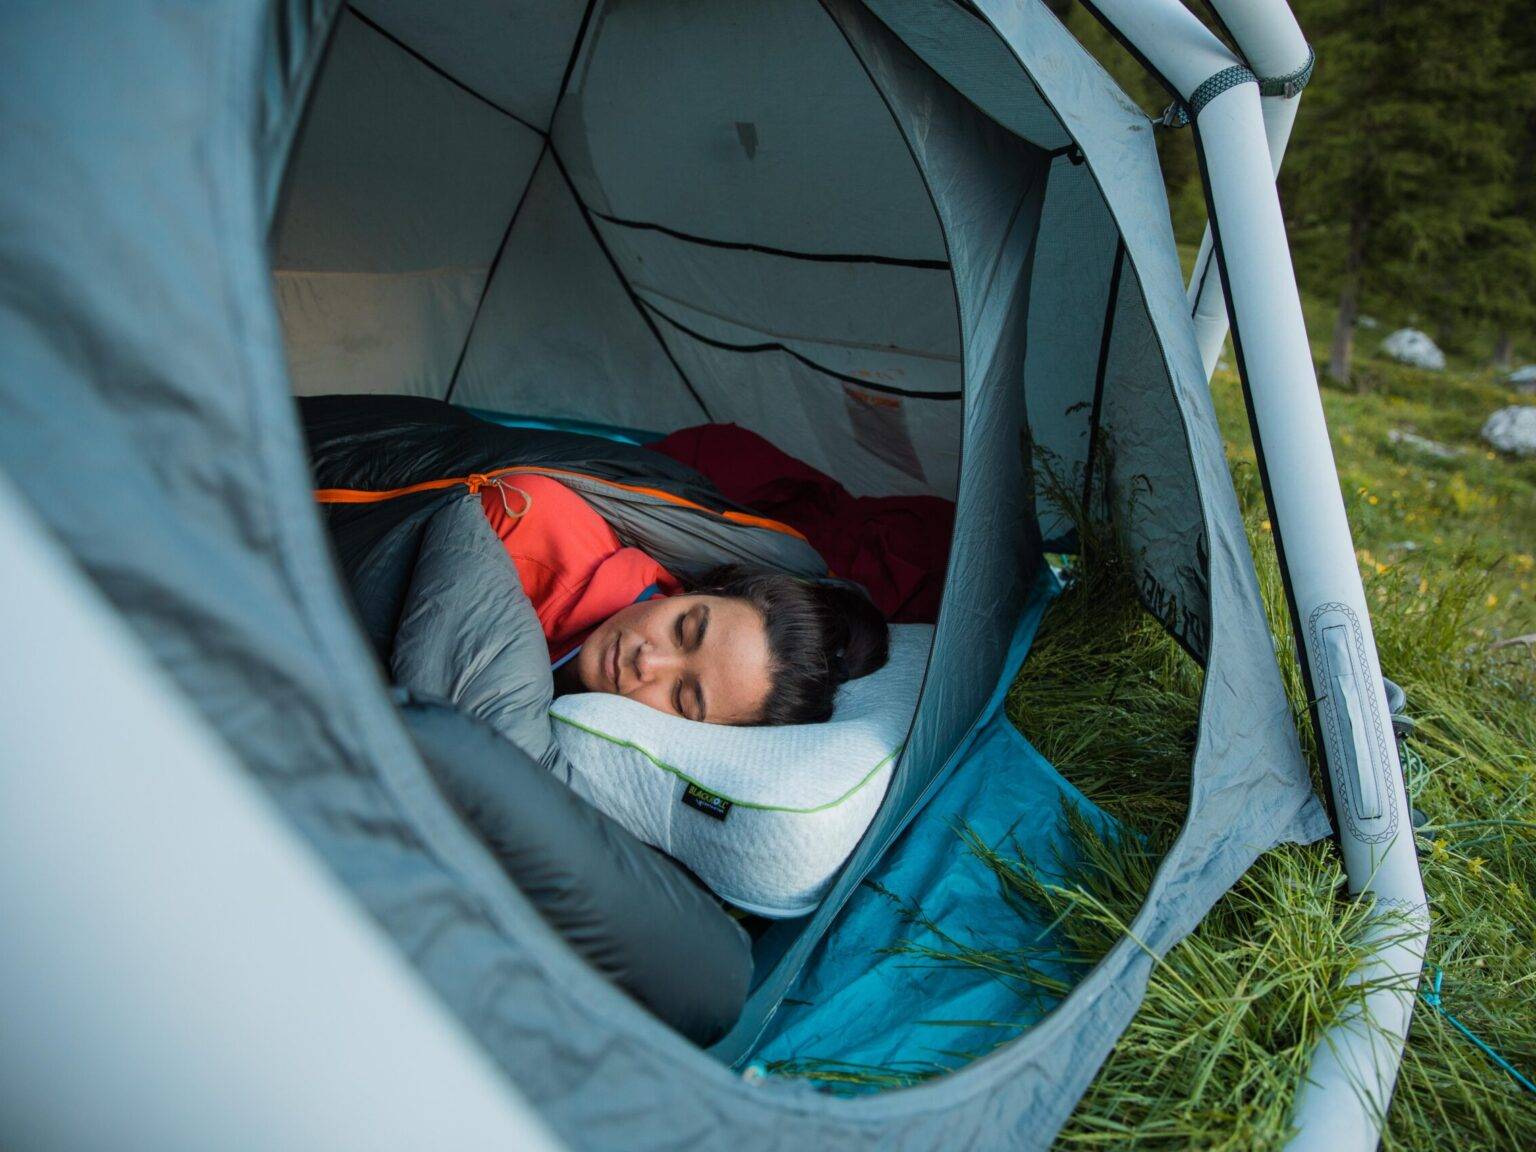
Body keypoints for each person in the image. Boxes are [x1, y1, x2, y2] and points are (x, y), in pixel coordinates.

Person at [480, 474, 888, 727]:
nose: (647, 662)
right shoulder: (530, 530)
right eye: (684, 628)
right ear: (701, 590)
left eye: (683, 698)